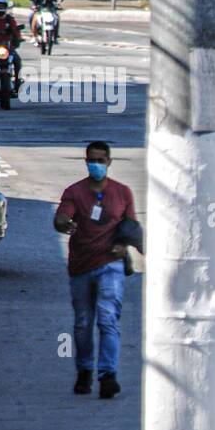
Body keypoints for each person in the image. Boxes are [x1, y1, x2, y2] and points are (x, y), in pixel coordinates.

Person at [53, 141, 137, 399]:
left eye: (101, 160)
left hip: (110, 265)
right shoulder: (74, 192)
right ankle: (85, 370)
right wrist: (65, 223)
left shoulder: (122, 193)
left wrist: (124, 245)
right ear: (86, 161)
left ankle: (108, 375)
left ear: (109, 162)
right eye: (92, 160)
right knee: (83, 323)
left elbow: (131, 225)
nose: (96, 164)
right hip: (81, 266)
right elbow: (60, 218)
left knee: (107, 319)